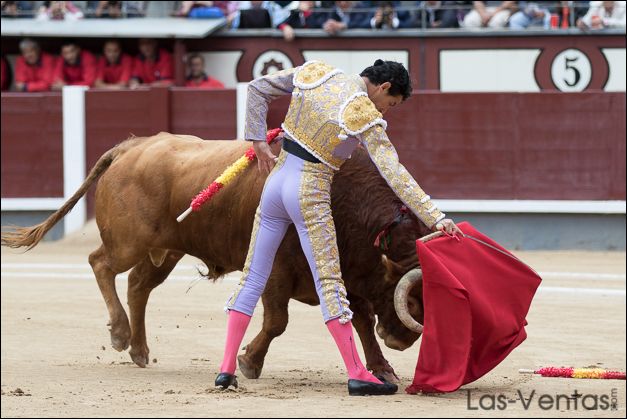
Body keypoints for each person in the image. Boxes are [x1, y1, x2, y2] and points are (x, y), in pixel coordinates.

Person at [216, 59, 461, 396]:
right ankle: (357, 372)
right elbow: (395, 173)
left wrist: (257, 140)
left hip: (275, 184)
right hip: (309, 190)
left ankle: (226, 369)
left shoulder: (316, 72)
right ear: (384, 87)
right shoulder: (362, 112)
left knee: (252, 276)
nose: (386, 112)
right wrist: (435, 216)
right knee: (330, 283)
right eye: (390, 104)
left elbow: (257, 88)